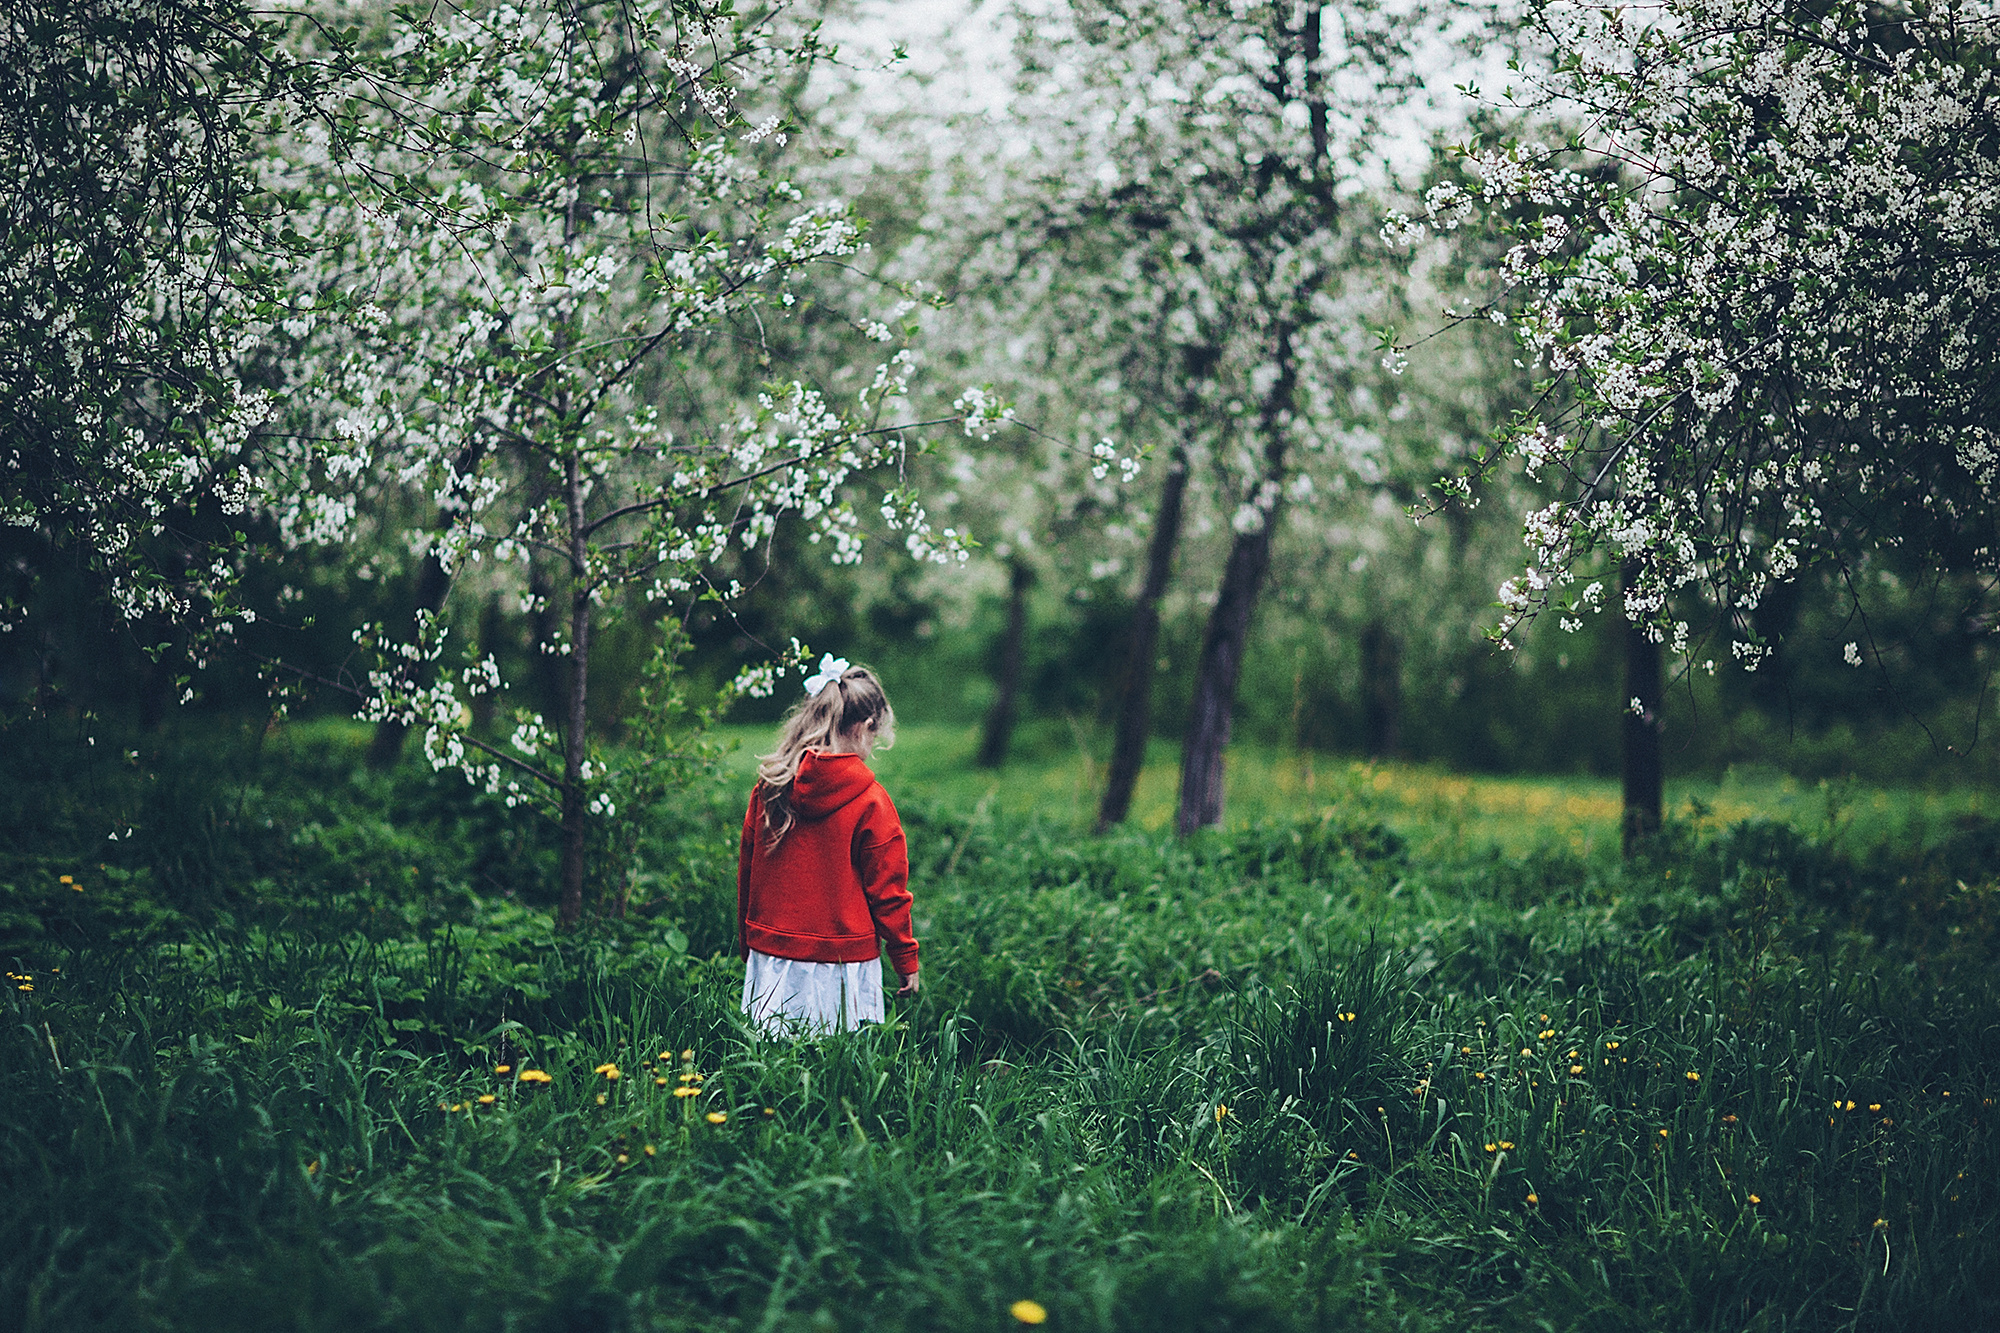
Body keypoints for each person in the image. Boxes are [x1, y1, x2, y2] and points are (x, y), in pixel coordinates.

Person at [736, 655, 918, 1035]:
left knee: (771, 1068)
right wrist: (905, 958)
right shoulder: (872, 801)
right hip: (842, 963)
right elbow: (888, 892)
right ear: (867, 726)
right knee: (835, 1076)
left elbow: (748, 872)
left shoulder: (769, 789)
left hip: (774, 956)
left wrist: (749, 940)